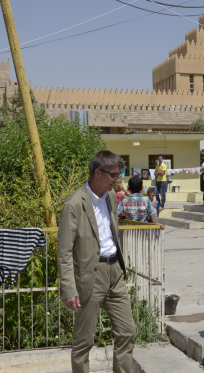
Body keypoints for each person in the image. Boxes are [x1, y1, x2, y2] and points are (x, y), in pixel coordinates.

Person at [57, 151, 135, 373]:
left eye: (119, 175)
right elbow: (64, 252)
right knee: (84, 340)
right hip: (90, 275)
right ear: (97, 173)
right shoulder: (74, 204)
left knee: (127, 331)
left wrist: (119, 266)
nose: (117, 181)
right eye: (113, 176)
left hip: (115, 272)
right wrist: (69, 289)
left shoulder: (110, 197)